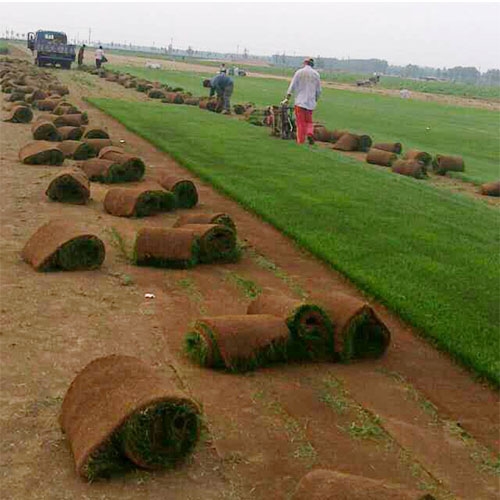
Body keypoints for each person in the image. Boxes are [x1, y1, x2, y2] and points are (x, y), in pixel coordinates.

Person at [281, 57, 321, 145]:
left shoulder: (299, 72)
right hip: (310, 103)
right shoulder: (316, 74)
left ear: (305, 63)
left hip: (300, 102)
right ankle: (310, 133)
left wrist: (287, 98)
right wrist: (315, 100)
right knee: (309, 121)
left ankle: (301, 141)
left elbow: (292, 86)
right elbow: (318, 91)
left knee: (300, 123)